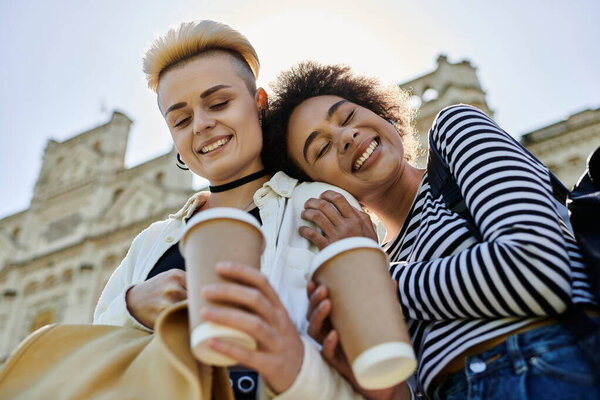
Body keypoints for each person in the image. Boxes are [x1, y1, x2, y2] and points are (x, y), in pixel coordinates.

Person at [262, 61, 600, 399]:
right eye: (321, 149)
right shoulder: (376, 258)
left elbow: (538, 269)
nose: (346, 136)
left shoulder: (454, 131)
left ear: (383, 114)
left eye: (348, 117)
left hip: (545, 366)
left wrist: (372, 280)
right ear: (318, 188)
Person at [94, 21, 394, 400]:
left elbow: (382, 381)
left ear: (259, 103)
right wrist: (131, 305)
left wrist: (292, 368)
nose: (202, 124)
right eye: (181, 120)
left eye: (219, 103)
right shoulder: (150, 242)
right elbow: (93, 353)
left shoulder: (321, 206)